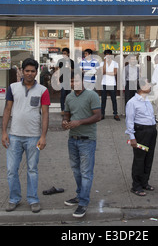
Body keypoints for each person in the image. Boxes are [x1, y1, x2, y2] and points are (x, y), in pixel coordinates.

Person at [1, 58, 50, 213]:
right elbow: (7, 110)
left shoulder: (43, 90)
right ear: (22, 71)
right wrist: (4, 132)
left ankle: (33, 199)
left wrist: (43, 136)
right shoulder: (12, 88)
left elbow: (45, 114)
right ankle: (14, 199)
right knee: (11, 170)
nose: (29, 73)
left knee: (32, 169)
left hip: (34, 137)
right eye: (27, 71)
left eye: (32, 71)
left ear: (37, 72)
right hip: (14, 135)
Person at [62, 71, 101, 218]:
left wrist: (80, 122)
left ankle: (83, 202)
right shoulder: (69, 97)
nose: (74, 84)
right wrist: (65, 122)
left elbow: (98, 116)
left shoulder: (92, 95)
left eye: (76, 81)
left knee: (86, 172)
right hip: (73, 138)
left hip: (87, 139)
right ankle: (80, 195)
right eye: (71, 81)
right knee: (76, 170)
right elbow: (66, 114)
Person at [125, 79, 157, 197]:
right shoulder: (132, 102)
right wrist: (132, 137)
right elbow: (129, 121)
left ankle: (145, 182)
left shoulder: (147, 100)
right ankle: (136, 186)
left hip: (151, 131)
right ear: (141, 87)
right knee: (140, 159)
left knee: (149, 157)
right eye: (148, 84)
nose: (150, 86)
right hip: (141, 132)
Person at [100, 49, 119, 121]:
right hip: (104, 83)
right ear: (104, 56)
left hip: (112, 83)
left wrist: (107, 73)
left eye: (109, 55)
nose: (108, 56)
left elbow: (114, 73)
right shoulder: (102, 63)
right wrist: (105, 62)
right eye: (106, 55)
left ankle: (115, 114)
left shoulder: (115, 63)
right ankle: (102, 114)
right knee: (103, 100)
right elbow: (103, 72)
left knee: (114, 99)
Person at [57, 48, 74, 114]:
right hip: (62, 80)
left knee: (69, 96)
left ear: (68, 54)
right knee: (63, 95)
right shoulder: (60, 61)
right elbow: (58, 71)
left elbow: (73, 71)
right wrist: (58, 80)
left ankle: (68, 110)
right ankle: (62, 110)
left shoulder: (71, 61)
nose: (64, 55)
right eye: (63, 53)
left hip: (69, 81)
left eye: (65, 53)